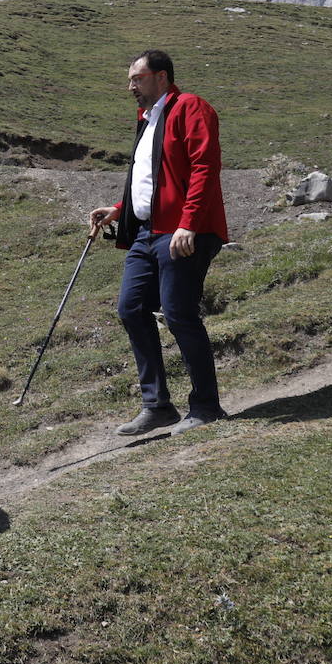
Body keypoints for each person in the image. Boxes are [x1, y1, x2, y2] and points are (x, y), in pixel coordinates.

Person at [89, 49, 230, 438]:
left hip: (183, 231)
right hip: (148, 232)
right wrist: (120, 209)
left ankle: (206, 406)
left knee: (179, 313)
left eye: (137, 78)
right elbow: (155, 177)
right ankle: (157, 406)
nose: (130, 86)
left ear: (162, 77)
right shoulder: (148, 118)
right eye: (130, 79)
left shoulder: (190, 107)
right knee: (130, 308)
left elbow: (205, 167)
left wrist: (188, 223)